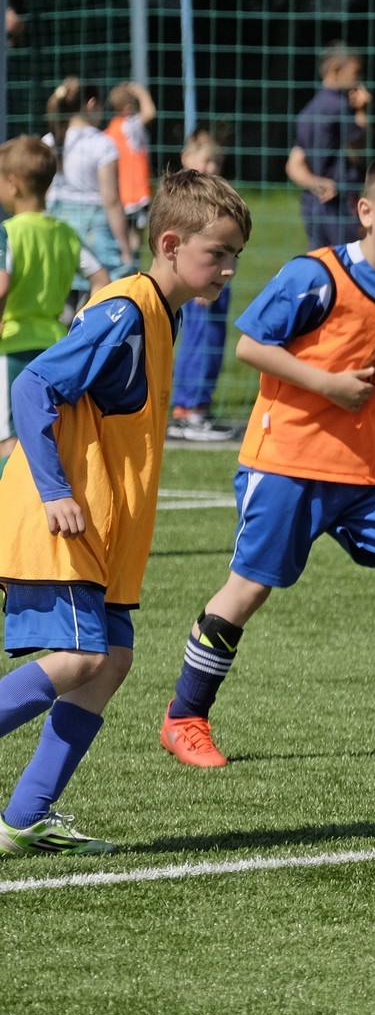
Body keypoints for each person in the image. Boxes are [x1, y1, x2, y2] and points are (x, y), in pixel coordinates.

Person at [160, 151, 375, 769]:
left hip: (369, 471)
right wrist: (328, 384)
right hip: (287, 463)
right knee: (248, 590)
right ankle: (185, 717)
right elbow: (251, 345)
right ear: (365, 211)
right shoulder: (315, 275)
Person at [0, 170, 249, 854]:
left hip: (99, 528)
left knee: (110, 659)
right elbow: (32, 385)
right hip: (60, 516)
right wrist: (55, 490)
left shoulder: (163, 315)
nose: (228, 268)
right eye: (218, 253)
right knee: (83, 656)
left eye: (234, 255)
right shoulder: (125, 310)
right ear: (170, 244)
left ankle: (25, 818)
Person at [1, 137, 108, 457]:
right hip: (54, 346)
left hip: (12, 346)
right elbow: (101, 279)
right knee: (44, 434)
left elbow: (2, 286)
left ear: (13, 183)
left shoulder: (9, 232)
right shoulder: (65, 233)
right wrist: (79, 327)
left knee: (10, 440)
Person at [168, 131, 239, 442]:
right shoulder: (191, 202)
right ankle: (189, 409)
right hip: (203, 287)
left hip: (219, 283)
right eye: (207, 160)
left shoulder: (215, 199)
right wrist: (203, 283)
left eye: (217, 162)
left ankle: (199, 407)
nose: (213, 167)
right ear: (187, 158)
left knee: (213, 343)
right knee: (200, 342)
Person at [44, 78, 138, 286]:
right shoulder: (102, 143)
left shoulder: (48, 141)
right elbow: (110, 199)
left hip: (55, 227)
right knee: (100, 290)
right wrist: (125, 248)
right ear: (92, 104)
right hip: (95, 235)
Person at [287, 42, 371, 249]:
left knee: (321, 260)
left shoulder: (309, 110)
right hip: (340, 201)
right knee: (350, 259)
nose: (359, 79)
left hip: (313, 201)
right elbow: (357, 152)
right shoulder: (341, 107)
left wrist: (313, 182)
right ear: (336, 70)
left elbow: (294, 163)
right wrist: (362, 111)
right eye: (356, 72)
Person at [105, 82, 157, 270]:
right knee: (136, 241)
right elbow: (150, 113)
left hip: (121, 194)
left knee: (123, 240)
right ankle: (131, 271)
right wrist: (141, 92)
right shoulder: (130, 127)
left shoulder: (109, 131)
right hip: (136, 193)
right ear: (128, 108)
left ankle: (125, 269)